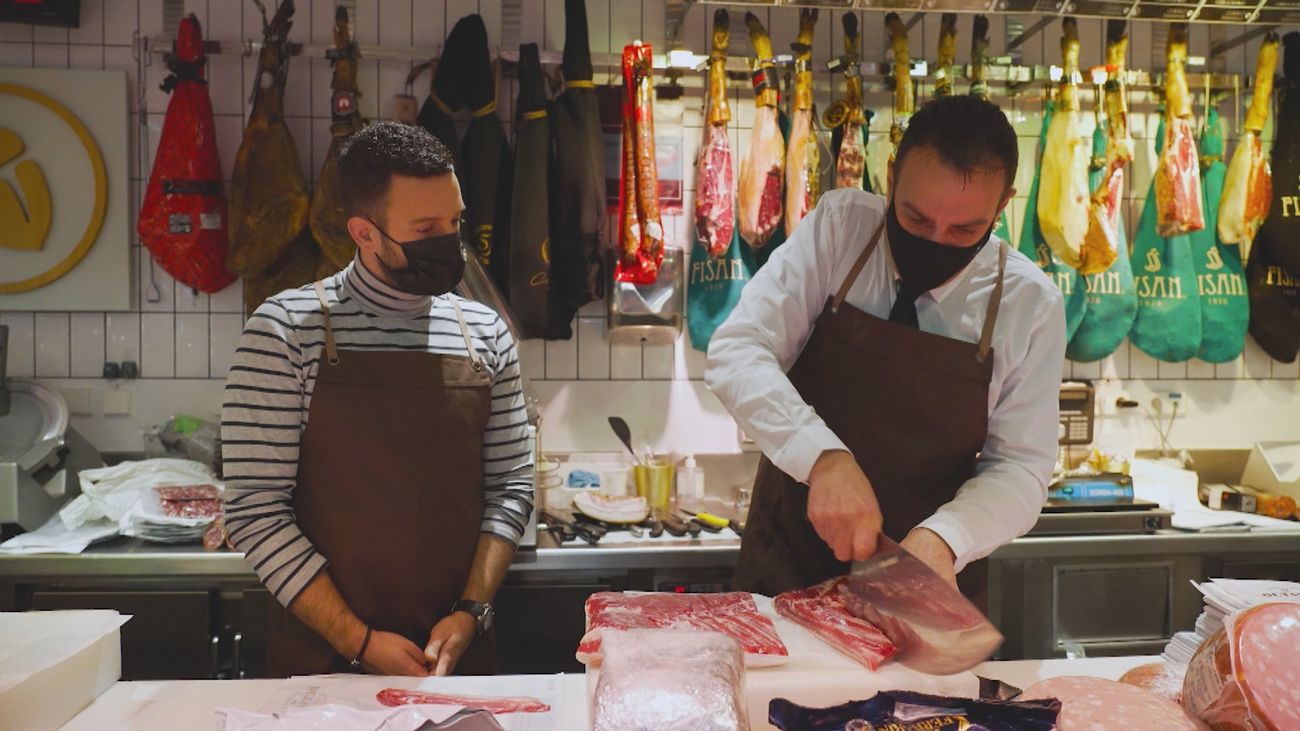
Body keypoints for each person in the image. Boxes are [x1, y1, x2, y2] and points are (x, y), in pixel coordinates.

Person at [706, 95, 1066, 604]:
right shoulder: (840, 230)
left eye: (965, 229)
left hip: (925, 586)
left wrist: (947, 538)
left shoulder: (1028, 303)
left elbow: (1022, 467)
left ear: (1002, 205)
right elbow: (737, 351)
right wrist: (822, 457)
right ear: (892, 174)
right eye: (917, 219)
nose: (937, 241)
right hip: (788, 566)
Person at [221, 122, 534, 677]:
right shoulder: (285, 332)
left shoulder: (485, 333)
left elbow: (511, 485)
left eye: (455, 221)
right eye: (425, 227)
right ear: (364, 233)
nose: (448, 241)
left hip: (455, 661)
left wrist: (471, 612)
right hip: (323, 666)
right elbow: (255, 512)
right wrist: (360, 641)